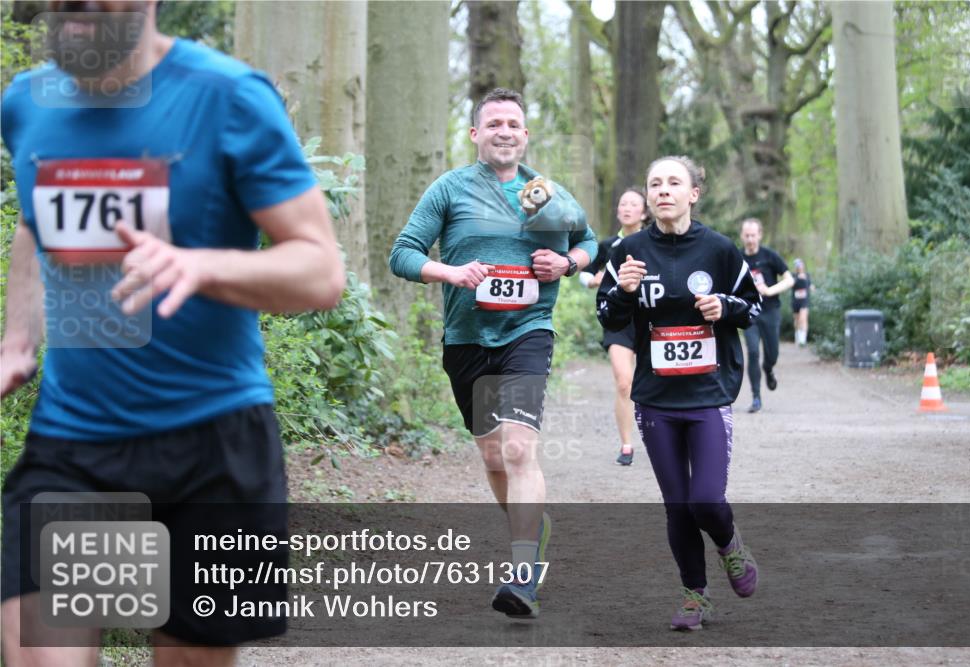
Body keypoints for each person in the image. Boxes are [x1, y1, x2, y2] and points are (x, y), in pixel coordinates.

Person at [1, 2, 345, 665]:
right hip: (76, 448)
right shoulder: (25, 104)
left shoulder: (229, 97)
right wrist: (18, 339)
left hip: (212, 448)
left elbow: (320, 268)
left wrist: (200, 264)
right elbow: (31, 222)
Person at [389, 88, 596, 619]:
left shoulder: (545, 192)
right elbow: (402, 254)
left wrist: (567, 265)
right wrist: (450, 272)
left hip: (528, 332)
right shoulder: (450, 189)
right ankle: (533, 529)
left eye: (514, 123)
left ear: (525, 136)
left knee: (520, 450)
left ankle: (523, 572)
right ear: (476, 134)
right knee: (492, 455)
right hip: (467, 340)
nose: (505, 131)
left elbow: (590, 242)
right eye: (494, 123)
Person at [597, 155, 760, 631]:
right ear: (648, 198)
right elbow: (607, 317)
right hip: (656, 399)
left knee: (706, 500)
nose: (663, 190)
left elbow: (752, 307)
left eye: (674, 182)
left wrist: (723, 306)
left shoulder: (720, 250)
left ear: (693, 193)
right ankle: (695, 596)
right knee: (677, 504)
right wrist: (625, 292)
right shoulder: (627, 251)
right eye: (655, 184)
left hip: (708, 393)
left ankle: (730, 546)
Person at [581, 188, 649, 466]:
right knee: (624, 382)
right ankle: (626, 445)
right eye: (623, 203)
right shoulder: (607, 246)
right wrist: (593, 281)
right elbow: (585, 273)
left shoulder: (654, 242)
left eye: (634, 204)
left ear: (644, 212)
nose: (627, 208)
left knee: (655, 381)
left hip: (651, 319)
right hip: (619, 319)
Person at [739, 218, 793, 413]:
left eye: (753, 235)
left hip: (770, 311)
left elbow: (789, 279)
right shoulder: (737, 258)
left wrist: (770, 290)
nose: (750, 239)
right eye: (747, 235)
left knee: (772, 354)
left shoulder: (770, 256)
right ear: (742, 236)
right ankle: (756, 398)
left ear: (759, 235)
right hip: (749, 313)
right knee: (752, 352)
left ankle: (769, 369)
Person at [791, 258, 812, 346]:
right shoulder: (793, 276)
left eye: (800, 264)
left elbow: (810, 285)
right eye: (797, 265)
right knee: (797, 320)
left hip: (804, 301)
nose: (799, 267)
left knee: (803, 319)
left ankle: (803, 341)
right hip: (796, 301)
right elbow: (791, 285)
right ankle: (798, 336)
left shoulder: (807, 275)